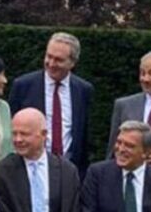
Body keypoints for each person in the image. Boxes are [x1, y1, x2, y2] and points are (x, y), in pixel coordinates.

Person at [8, 32, 95, 174]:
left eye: (59, 60)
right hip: (30, 168)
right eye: (49, 56)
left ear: (72, 63)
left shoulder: (83, 90)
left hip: (70, 171)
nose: (51, 63)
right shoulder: (23, 86)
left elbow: (85, 135)